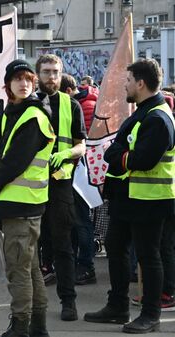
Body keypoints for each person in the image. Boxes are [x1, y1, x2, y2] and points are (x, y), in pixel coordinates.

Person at [84, 59, 175, 334]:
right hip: (130, 198)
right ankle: (118, 306)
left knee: (148, 257)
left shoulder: (158, 117)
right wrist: (118, 152)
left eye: (127, 80)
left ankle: (151, 314)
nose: (125, 84)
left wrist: (115, 154)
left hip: (149, 200)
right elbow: (126, 148)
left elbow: (143, 160)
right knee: (116, 247)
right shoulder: (145, 112)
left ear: (140, 83)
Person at [0, 59, 54, 337]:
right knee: (30, 268)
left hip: (23, 206)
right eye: (18, 79)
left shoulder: (33, 116)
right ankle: (38, 328)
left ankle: (21, 327)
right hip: (18, 204)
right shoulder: (13, 112)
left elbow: (13, 163)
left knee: (19, 271)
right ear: (8, 85)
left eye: (28, 80)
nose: (24, 84)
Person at [35, 54, 87, 321]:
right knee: (33, 245)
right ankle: (33, 303)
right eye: (46, 72)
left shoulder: (71, 104)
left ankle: (69, 301)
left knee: (63, 244)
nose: (52, 77)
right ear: (37, 74)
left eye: (56, 72)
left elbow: (81, 144)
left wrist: (66, 155)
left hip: (60, 183)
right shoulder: (26, 103)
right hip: (30, 185)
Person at [60, 73, 98, 286]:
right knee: (78, 221)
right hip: (79, 171)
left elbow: (82, 142)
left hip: (79, 171)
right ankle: (80, 264)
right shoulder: (89, 102)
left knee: (81, 222)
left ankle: (85, 266)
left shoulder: (79, 107)